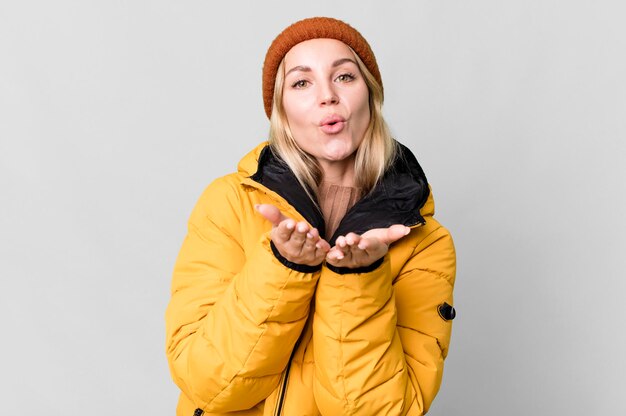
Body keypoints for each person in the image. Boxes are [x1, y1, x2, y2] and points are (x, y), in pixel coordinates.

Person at [165, 17, 457, 416]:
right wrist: (284, 266)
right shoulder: (228, 204)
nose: (327, 97)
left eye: (344, 77)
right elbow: (209, 383)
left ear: (370, 95)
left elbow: (385, 412)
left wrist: (359, 283)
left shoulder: (424, 241)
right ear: (280, 111)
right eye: (301, 82)